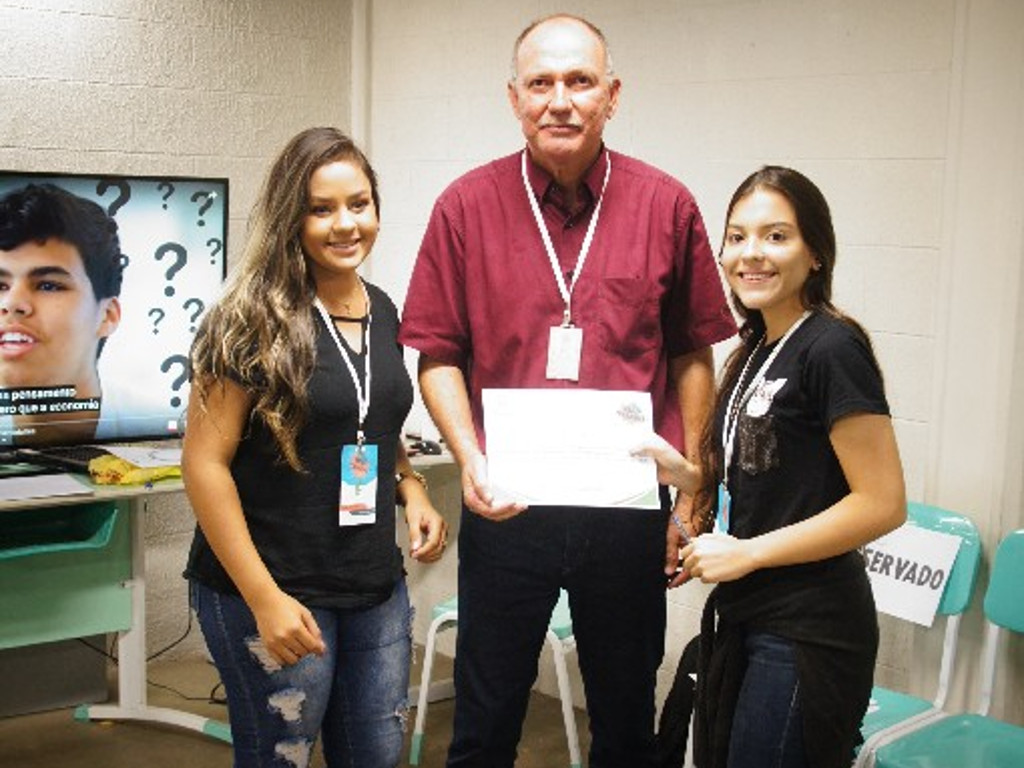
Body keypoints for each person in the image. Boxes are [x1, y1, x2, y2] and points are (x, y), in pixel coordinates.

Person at [399, 14, 736, 767]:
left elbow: (693, 353)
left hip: (626, 514)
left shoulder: (666, 206)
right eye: (541, 83)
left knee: (625, 718)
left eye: (580, 81)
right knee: (485, 722)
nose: (560, 100)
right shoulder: (465, 207)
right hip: (507, 507)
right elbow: (438, 354)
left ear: (612, 95)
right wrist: (469, 459)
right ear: (514, 98)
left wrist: (691, 492)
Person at [182, 127, 448, 768]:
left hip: (372, 583)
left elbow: (369, 418)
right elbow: (203, 464)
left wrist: (411, 488)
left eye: (359, 204)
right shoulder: (247, 319)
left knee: (376, 753)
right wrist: (263, 598)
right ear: (290, 218)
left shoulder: (382, 309)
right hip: (275, 586)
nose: (345, 224)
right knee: (283, 756)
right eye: (321, 209)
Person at [635, 166, 907, 768]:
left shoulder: (832, 347)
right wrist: (688, 477)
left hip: (808, 626)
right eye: (737, 237)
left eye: (776, 236)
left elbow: (883, 503)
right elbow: (777, 478)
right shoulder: (755, 348)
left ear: (816, 253)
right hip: (749, 612)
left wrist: (749, 553)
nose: (751, 253)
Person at [0, 183, 124, 445]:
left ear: (107, 316)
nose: (12, 304)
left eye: (48, 285)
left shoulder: (155, 419)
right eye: (0, 286)